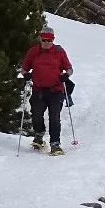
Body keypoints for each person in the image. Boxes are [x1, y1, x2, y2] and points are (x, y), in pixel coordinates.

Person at [21, 26, 73, 155]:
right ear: (40, 39)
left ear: (53, 39)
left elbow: (69, 68)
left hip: (56, 90)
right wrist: (26, 74)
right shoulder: (33, 51)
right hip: (38, 90)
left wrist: (66, 75)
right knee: (36, 115)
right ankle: (39, 135)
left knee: (54, 118)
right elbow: (24, 68)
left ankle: (55, 144)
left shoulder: (59, 51)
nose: (47, 43)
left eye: (50, 40)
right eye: (44, 40)